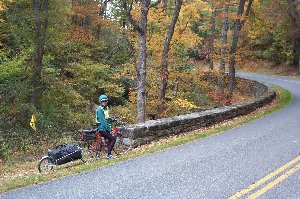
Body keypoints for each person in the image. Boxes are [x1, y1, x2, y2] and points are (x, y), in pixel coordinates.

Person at [95, 94, 116, 159]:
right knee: (113, 139)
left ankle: (106, 151)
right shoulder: (99, 109)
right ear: (100, 102)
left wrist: (112, 120)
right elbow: (103, 122)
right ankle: (109, 155)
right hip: (102, 128)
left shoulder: (105, 108)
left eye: (105, 101)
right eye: (103, 101)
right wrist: (110, 129)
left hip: (104, 127)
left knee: (109, 139)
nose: (104, 102)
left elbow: (106, 118)